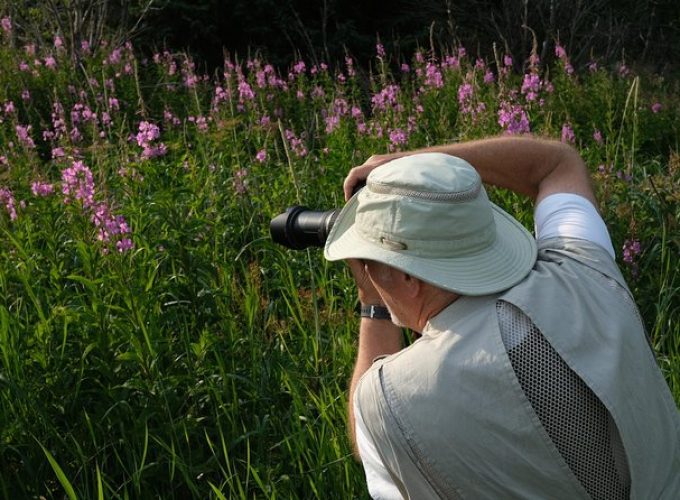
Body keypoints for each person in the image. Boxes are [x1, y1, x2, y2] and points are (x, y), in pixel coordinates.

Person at [323, 135, 680, 499]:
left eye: (368, 261)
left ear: (408, 277)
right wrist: (408, 163)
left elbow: (365, 432)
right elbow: (557, 162)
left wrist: (372, 302)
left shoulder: (390, 400)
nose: (365, 270)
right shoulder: (582, 266)